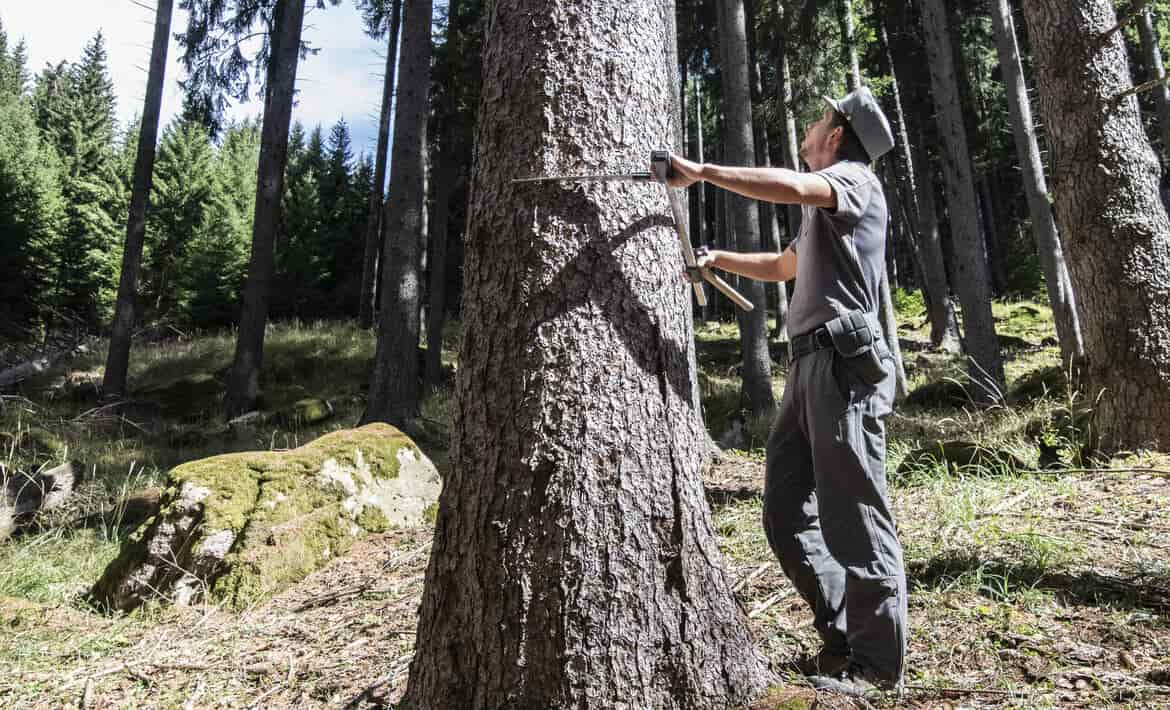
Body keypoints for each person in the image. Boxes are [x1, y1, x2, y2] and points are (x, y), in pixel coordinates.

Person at [668, 86, 906, 698]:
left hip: (839, 367)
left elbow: (795, 187)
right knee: (783, 512)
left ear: (837, 135)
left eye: (821, 118)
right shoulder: (827, 210)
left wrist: (702, 173)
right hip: (805, 369)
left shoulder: (855, 181)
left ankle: (877, 666)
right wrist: (720, 257)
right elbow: (782, 266)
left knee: (855, 512)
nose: (810, 123)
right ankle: (844, 639)